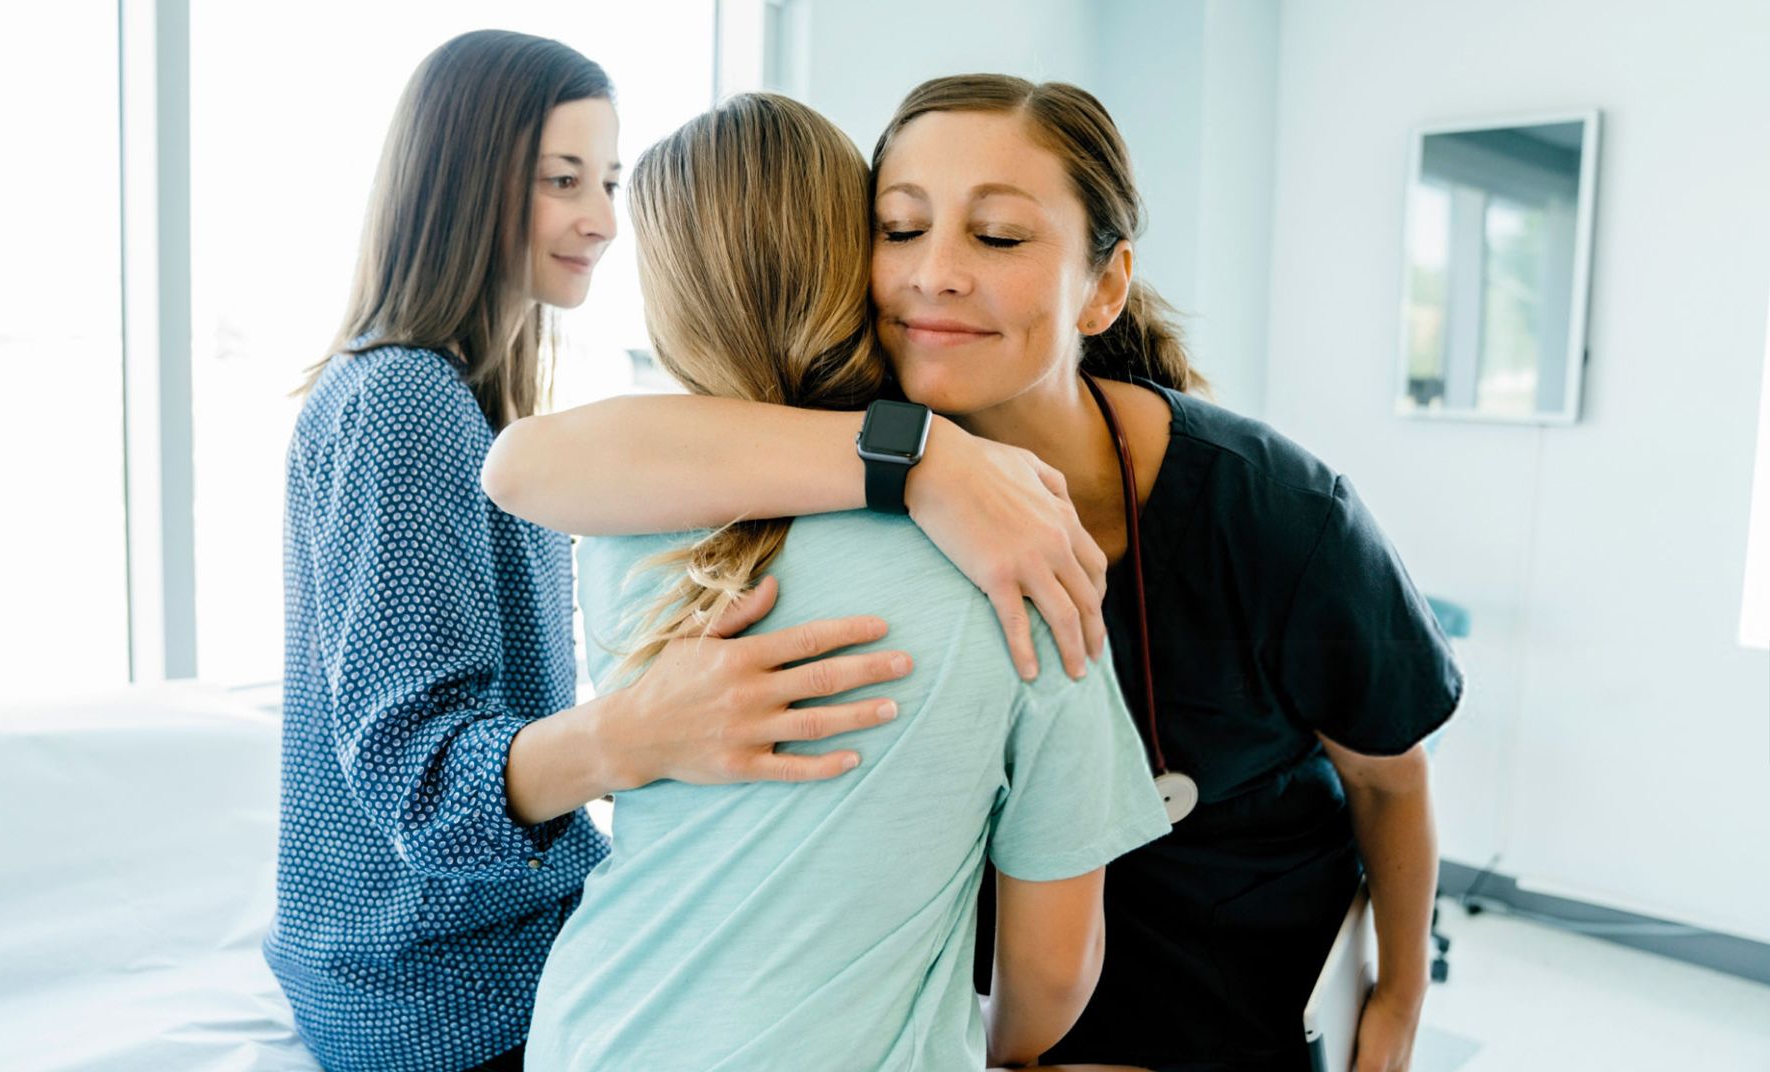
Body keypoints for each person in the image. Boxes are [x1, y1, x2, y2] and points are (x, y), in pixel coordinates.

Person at [487, 75, 1463, 1072]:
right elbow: (526, 466)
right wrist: (924, 461)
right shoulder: (822, 469)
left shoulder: (1275, 513)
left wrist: (1393, 999)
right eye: (899, 229)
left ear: (1104, 286)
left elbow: (1388, 781)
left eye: (997, 238)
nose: (934, 274)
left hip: (1231, 1006)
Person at [269, 32, 939, 1072]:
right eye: (561, 180)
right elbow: (423, 785)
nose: (600, 220)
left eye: (611, 182)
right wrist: (639, 732)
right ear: (459, 183)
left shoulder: (456, 401)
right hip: (443, 997)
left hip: (462, 954)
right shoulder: (404, 400)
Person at [520, 92, 1172, 1072]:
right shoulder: (1021, 564)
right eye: (902, 228)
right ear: (857, 257)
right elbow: (1052, 969)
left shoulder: (627, 528)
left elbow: (525, 465)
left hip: (593, 1031)